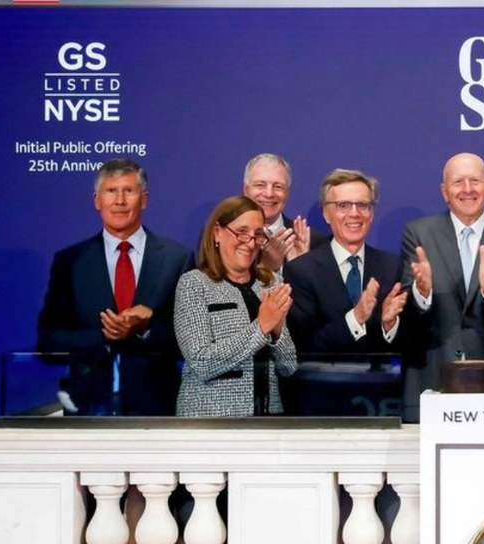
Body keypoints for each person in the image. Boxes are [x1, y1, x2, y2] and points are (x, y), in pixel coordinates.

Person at [36, 157, 193, 415]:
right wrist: (104, 335)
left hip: (157, 408)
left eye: (128, 191)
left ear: (144, 199)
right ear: (97, 200)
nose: (119, 201)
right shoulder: (70, 262)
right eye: (111, 191)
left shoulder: (177, 259)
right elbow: (48, 341)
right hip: (88, 405)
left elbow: (191, 340)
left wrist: (147, 327)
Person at [400, 153, 484, 417]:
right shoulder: (418, 234)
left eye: (475, 181)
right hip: (430, 381)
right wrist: (422, 291)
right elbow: (407, 317)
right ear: (444, 191)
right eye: (458, 182)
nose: (467, 189)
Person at [173, 196, 296, 417]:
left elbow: (288, 367)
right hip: (212, 418)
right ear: (217, 233)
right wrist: (261, 327)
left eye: (257, 235)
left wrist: (277, 334)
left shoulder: (271, 283)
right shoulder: (194, 284)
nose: (250, 243)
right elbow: (202, 362)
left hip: (268, 418)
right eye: (242, 232)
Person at [283, 169, 409, 357]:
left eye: (362, 205)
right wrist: (355, 318)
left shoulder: (392, 267)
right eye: (343, 205)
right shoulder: (301, 270)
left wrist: (389, 325)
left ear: (371, 213)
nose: (354, 213)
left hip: (380, 376)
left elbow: (407, 346)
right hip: (323, 376)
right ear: (326, 214)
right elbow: (302, 347)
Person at [241, 153, 329, 274]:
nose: (269, 194)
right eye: (260, 185)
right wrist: (266, 269)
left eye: (278, 186)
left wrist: (301, 268)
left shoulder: (315, 242)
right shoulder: (228, 238)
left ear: (287, 193)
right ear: (246, 190)